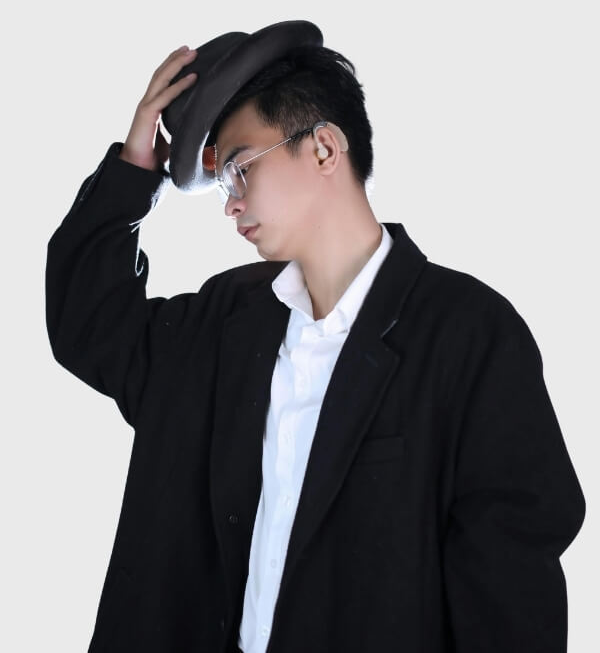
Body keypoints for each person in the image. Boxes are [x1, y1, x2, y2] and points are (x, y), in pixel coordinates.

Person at [45, 40, 585, 653]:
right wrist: (135, 168)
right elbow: (89, 324)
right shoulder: (223, 322)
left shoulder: (469, 335)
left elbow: (510, 593)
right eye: (222, 183)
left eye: (241, 169)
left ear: (324, 148)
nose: (232, 203)